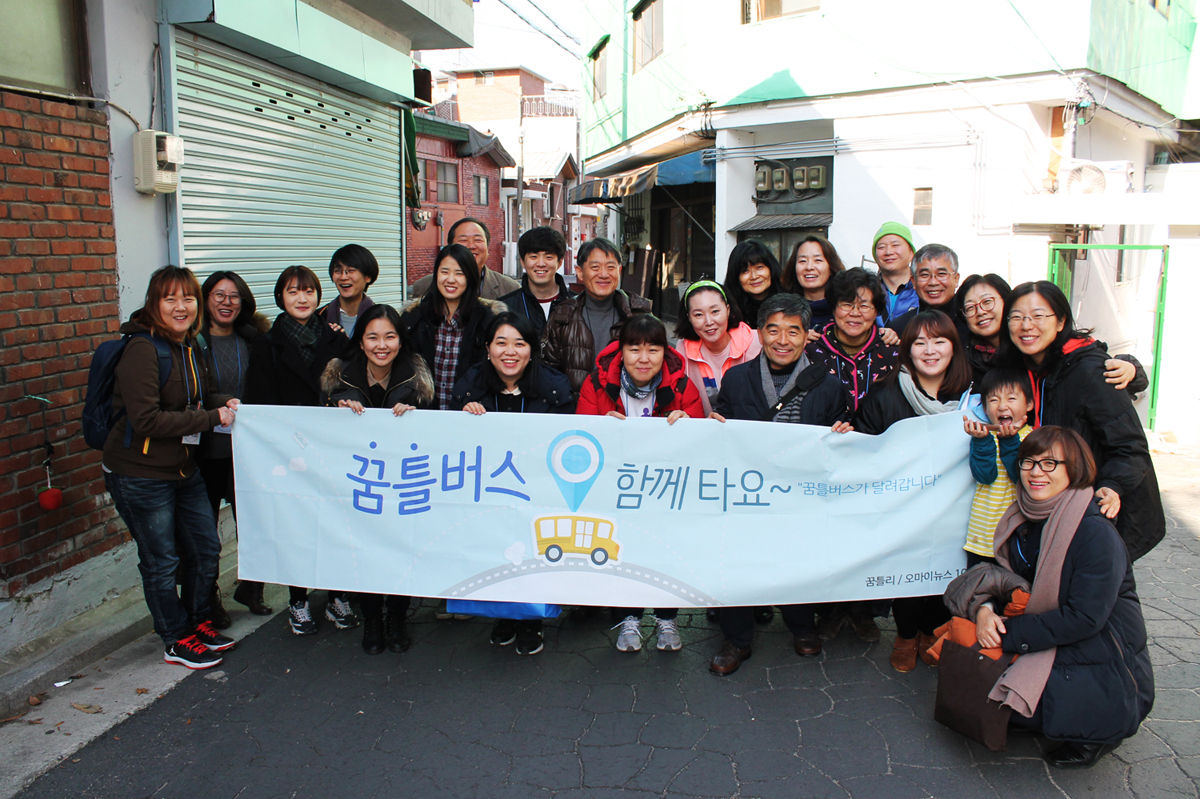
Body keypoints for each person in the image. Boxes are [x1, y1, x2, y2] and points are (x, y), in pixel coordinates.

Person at [972, 426, 1153, 769]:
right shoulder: (1020, 517)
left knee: (1015, 682)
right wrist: (985, 609)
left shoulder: (1094, 530)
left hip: (1101, 644)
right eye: (1028, 462)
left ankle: (1100, 732)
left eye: (1050, 463)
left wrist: (1010, 633)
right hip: (1047, 623)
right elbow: (1004, 582)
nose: (1037, 472)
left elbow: (1084, 617)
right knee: (988, 690)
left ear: (1075, 469)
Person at [707, 294, 853, 675]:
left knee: (799, 561)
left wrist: (844, 433)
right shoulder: (737, 379)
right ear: (759, 333)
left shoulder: (829, 387)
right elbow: (723, 431)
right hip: (746, 494)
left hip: (799, 499)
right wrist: (717, 427)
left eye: (794, 331)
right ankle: (737, 639)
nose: (783, 339)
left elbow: (842, 450)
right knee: (736, 561)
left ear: (808, 336)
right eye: (773, 330)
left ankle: (802, 626)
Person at [102, 266, 238, 669]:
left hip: (182, 468)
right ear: (154, 303)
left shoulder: (189, 344)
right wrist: (212, 418)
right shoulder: (143, 349)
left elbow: (200, 394)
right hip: (139, 475)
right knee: (162, 560)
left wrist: (226, 401)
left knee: (206, 548)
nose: (181, 307)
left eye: (188, 298)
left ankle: (198, 623)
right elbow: (147, 420)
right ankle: (175, 637)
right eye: (170, 299)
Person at [1004, 281, 1165, 561]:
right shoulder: (1022, 369)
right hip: (1049, 504)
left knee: (1096, 597)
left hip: (1094, 511)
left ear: (1061, 321)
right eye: (1016, 317)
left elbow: (1129, 446)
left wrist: (1112, 485)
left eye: (1039, 316)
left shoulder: (1091, 372)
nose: (1026, 325)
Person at [575, 314, 705, 652]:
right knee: (623, 551)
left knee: (665, 552)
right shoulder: (597, 383)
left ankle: (667, 619)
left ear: (665, 352)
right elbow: (580, 435)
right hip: (616, 489)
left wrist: (690, 423)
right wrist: (599, 427)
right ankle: (629, 618)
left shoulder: (680, 386)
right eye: (634, 349)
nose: (643, 359)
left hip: (666, 488)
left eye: (653, 350)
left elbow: (701, 440)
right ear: (622, 351)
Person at [450, 312, 575, 655]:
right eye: (501, 342)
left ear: (532, 350)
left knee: (532, 552)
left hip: (538, 488)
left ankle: (531, 621)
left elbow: (564, 441)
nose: (510, 351)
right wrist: (465, 414)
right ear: (488, 348)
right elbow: (450, 437)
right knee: (495, 551)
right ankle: (502, 616)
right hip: (489, 490)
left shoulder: (554, 385)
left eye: (519, 343)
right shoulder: (470, 384)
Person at [856, 310, 974, 673]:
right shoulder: (885, 393)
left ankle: (929, 632)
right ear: (907, 350)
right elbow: (865, 446)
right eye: (919, 342)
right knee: (910, 572)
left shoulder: (973, 396)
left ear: (953, 347)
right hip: (904, 505)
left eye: (939, 341)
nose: (929, 350)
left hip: (958, 506)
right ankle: (906, 636)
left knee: (948, 571)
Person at [245, 264, 357, 636]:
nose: (301, 298)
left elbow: (352, 388)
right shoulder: (266, 345)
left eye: (308, 291)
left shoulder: (336, 340)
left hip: (333, 450)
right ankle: (298, 600)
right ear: (281, 298)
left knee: (336, 523)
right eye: (293, 292)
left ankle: (338, 594)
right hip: (288, 454)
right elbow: (259, 401)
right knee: (296, 527)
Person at [321, 303, 434, 655]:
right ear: (360, 341)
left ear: (401, 341)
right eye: (372, 337)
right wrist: (336, 409)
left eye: (389, 336)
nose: (381, 345)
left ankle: (397, 617)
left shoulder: (417, 380)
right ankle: (372, 618)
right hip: (358, 485)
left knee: (401, 551)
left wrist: (417, 415)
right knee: (364, 552)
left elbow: (435, 433)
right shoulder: (339, 377)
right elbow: (317, 431)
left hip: (402, 485)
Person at [197, 270, 272, 622]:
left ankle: (251, 587)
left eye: (234, 296)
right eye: (219, 295)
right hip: (205, 451)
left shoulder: (255, 339)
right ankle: (208, 598)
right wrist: (226, 402)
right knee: (204, 531)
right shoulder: (192, 342)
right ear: (206, 298)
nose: (227, 303)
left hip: (248, 452)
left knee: (254, 524)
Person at [956, 273, 1144, 393]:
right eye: (970, 307)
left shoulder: (1040, 345)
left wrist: (1131, 368)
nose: (980, 311)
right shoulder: (967, 356)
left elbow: (1093, 364)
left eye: (987, 302)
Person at [542, 237, 651, 393]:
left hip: (627, 409)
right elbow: (548, 370)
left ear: (619, 271)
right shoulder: (562, 315)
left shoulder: (639, 312)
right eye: (595, 267)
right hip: (576, 410)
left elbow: (658, 362)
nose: (604, 274)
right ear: (580, 272)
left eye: (611, 267)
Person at [400, 243, 500, 409]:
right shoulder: (414, 318)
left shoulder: (487, 321)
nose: (450, 279)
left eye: (459, 273)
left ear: (470, 278)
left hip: (470, 416)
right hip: (422, 416)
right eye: (444, 272)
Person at [962, 369, 1034, 567]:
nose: (1002, 406)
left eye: (1011, 398)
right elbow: (985, 476)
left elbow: (1019, 476)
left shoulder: (1034, 438)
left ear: (1029, 404)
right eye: (993, 400)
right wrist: (982, 441)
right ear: (985, 408)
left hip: (1017, 537)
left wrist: (1010, 441)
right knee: (979, 593)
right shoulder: (982, 437)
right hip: (983, 536)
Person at [806, 267, 900, 416]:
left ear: (876, 311)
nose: (855, 313)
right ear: (833, 307)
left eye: (864, 306)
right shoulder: (810, 349)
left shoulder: (892, 353)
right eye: (846, 304)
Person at [673, 280, 761, 417]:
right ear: (689, 318)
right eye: (698, 315)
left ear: (728, 309)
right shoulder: (682, 350)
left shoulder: (757, 342)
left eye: (715, 311)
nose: (708, 322)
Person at [410, 217, 520, 300]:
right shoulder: (424, 286)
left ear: (488, 248)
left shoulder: (510, 289)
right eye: (463, 240)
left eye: (478, 240)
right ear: (451, 248)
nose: (471, 246)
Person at [499, 226, 575, 338]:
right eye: (533, 257)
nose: (540, 263)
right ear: (522, 261)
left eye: (548, 257)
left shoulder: (578, 304)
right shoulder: (504, 307)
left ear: (559, 262)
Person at [885, 244, 967, 340]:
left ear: (956, 279)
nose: (933, 282)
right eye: (924, 275)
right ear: (914, 281)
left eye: (941, 274)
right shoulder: (899, 328)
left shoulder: (970, 320)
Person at [782, 235, 844, 333]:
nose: (809, 267)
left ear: (831, 267)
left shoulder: (845, 309)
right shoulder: (782, 309)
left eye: (818, 260)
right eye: (802, 261)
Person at [319, 243, 378, 338]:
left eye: (351, 270)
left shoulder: (381, 318)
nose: (343, 277)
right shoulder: (320, 317)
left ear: (368, 277)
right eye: (338, 271)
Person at [721, 239, 782, 331]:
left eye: (759, 267)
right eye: (745, 271)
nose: (754, 276)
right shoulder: (727, 310)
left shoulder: (791, 302)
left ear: (771, 268)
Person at [872, 221, 918, 327]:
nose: (888, 252)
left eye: (895, 245)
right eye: (881, 247)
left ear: (911, 252)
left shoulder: (922, 289)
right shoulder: (868, 289)